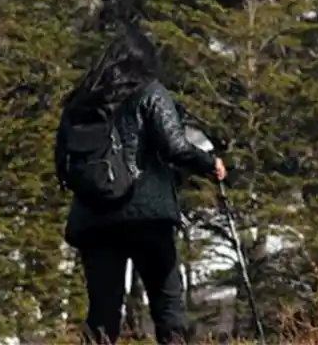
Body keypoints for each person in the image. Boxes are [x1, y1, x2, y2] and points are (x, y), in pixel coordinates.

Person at [55, 25, 226, 344]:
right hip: (147, 214)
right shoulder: (150, 91)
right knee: (168, 306)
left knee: (103, 313)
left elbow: (63, 162)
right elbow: (174, 146)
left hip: (94, 219)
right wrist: (208, 163)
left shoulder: (81, 101)